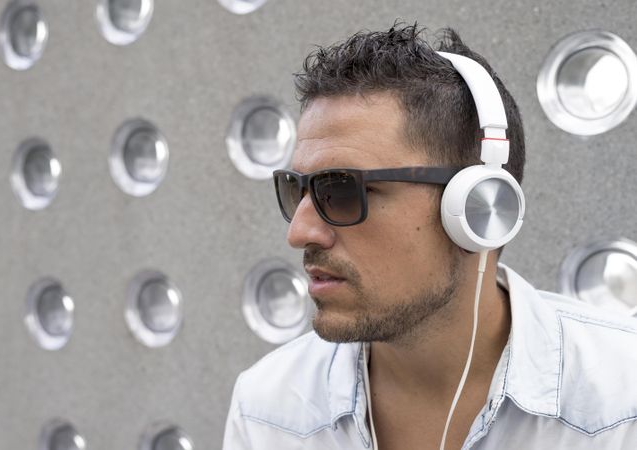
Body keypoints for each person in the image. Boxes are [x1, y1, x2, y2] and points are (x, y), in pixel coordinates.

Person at [222, 22, 637, 450]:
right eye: (297, 189)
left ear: (479, 207)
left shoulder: (622, 405)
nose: (299, 232)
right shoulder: (268, 411)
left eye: (342, 190)